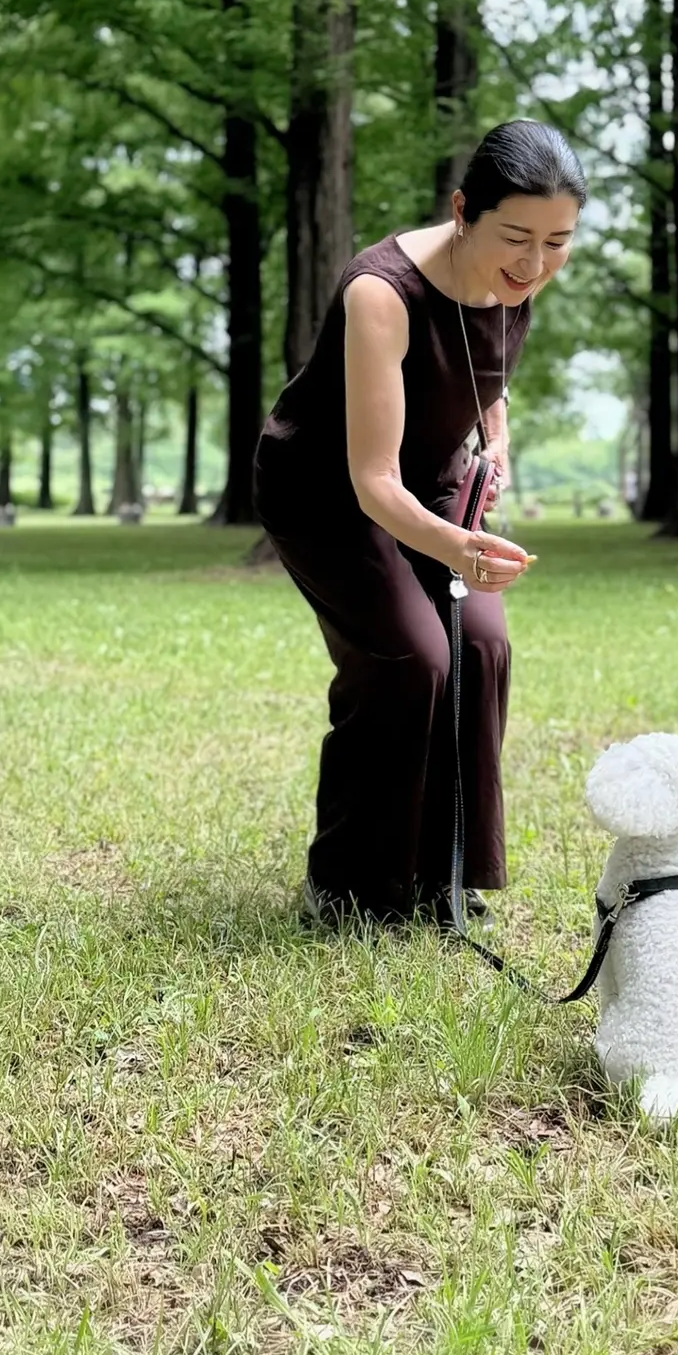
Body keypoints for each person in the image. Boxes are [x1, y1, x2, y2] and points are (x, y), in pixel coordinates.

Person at [253, 120, 586, 928]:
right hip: (328, 492)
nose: (535, 264)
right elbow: (370, 480)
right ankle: (350, 889)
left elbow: (486, 368)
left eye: (558, 242)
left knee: (482, 647)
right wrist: (462, 549)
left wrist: (494, 442)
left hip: (428, 484)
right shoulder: (382, 292)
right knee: (410, 658)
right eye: (516, 237)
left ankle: (442, 876)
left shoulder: (516, 280)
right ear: (463, 209)